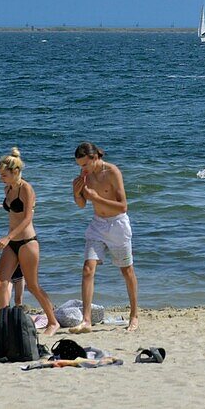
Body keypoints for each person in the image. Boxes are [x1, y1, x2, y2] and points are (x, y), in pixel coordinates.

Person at [71, 142, 139, 333]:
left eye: (84, 165)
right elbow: (82, 204)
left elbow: (123, 206)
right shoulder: (85, 176)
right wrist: (76, 192)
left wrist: (96, 197)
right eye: (79, 166)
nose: (82, 169)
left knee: (127, 271)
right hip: (97, 225)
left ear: (94, 158)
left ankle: (134, 315)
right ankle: (86, 320)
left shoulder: (112, 172)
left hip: (117, 225)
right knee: (87, 269)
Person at [0, 147, 59, 336]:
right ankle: (3, 325)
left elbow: (26, 219)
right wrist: (8, 238)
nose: (1, 178)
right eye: (0, 174)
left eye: (4, 174)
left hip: (27, 242)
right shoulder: (8, 188)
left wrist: (7, 237)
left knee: (32, 285)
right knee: (1, 282)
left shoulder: (26, 189)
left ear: (15, 172)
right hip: (12, 242)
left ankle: (53, 322)